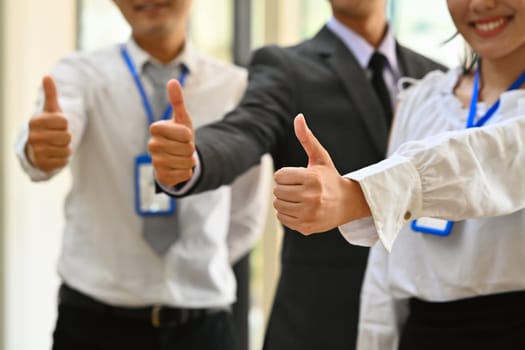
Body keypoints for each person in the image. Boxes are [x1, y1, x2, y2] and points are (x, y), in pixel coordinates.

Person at [148, 0, 444, 348]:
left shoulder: (435, 77)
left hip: (424, 319)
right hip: (319, 324)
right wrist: (195, 159)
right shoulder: (284, 67)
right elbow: (244, 130)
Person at [15, 0, 270, 349]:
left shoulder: (235, 87)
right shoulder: (79, 74)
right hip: (93, 324)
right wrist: (40, 150)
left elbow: (246, 212)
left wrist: (199, 260)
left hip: (203, 326)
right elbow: (50, 136)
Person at [273, 0, 525, 349]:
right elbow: (385, 264)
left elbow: (498, 156)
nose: (481, 4)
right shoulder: (422, 98)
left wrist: (357, 195)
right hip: (421, 332)